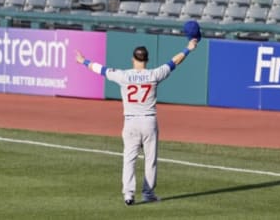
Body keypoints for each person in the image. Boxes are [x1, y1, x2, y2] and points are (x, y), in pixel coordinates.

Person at [76, 38, 198, 206]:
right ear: (146, 60)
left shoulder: (123, 75)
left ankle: (129, 194)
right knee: (150, 159)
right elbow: (174, 62)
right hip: (149, 122)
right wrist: (188, 48)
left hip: (131, 122)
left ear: (133, 59)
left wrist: (84, 61)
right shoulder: (154, 74)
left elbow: (101, 70)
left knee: (129, 158)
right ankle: (148, 193)